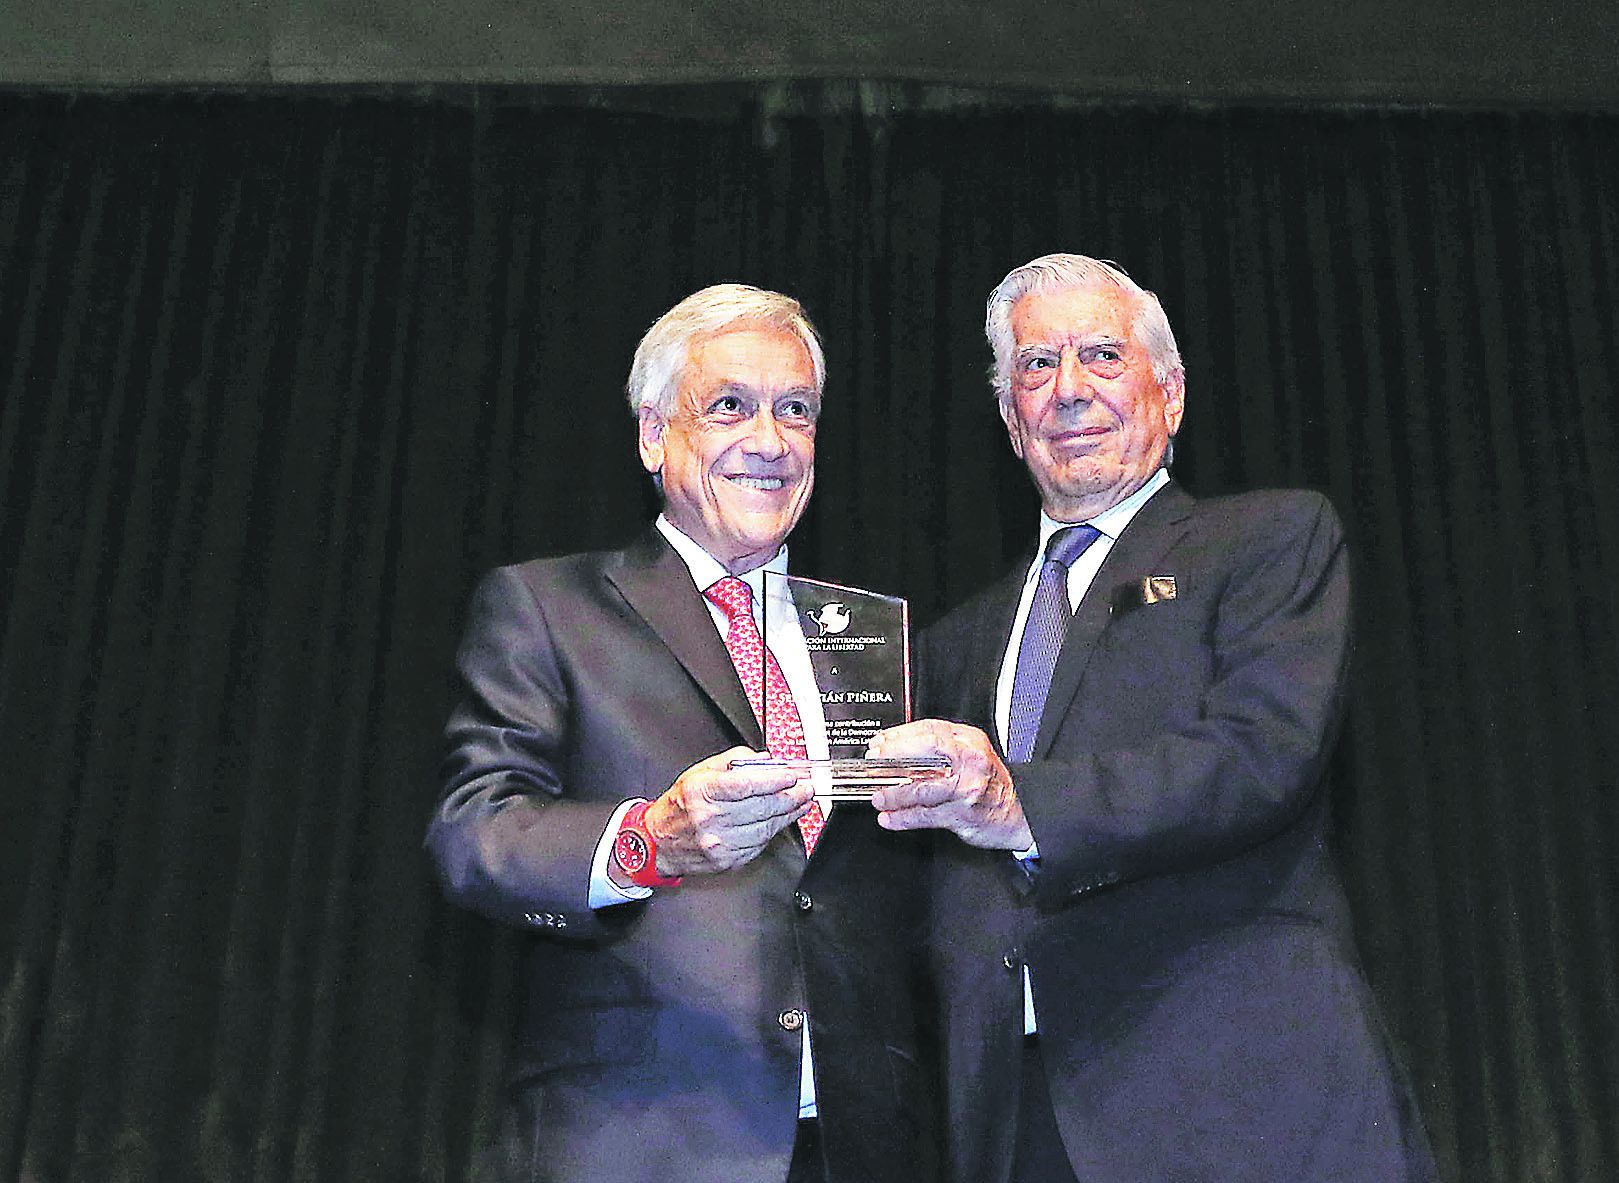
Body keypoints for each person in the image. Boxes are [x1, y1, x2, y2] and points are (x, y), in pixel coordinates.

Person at [869, 254, 1437, 1182]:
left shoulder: (1266, 540)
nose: (1069, 389)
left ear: (1169, 394)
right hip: (1014, 1117)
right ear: (1011, 420)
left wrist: (1021, 803)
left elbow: (1261, 756)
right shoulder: (945, 645)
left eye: (1101, 354)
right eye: (1036, 367)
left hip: (1235, 1088)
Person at [427, 284, 934, 1183]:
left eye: (796, 411)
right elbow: (473, 836)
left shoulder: (868, 641)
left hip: (860, 1144)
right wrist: (646, 840)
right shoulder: (549, 608)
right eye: (729, 406)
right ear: (654, 434)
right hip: (641, 1140)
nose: (769, 441)